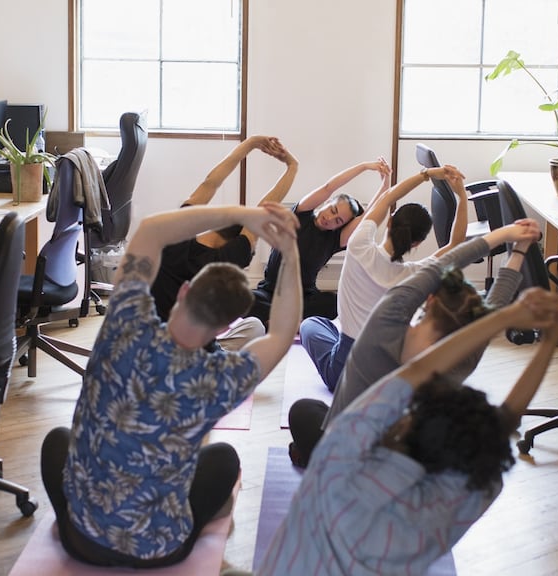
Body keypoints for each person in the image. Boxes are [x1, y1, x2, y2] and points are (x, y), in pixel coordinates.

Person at [40, 202, 302, 568]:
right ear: (227, 326)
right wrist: (289, 252)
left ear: (183, 292)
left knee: (57, 441)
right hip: (158, 550)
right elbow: (283, 331)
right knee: (224, 460)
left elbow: (151, 230)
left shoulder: (124, 322)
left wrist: (243, 215)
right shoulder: (220, 380)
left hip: (80, 538)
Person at [257, 287, 558, 576]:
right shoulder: (459, 501)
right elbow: (506, 419)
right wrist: (550, 342)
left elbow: (415, 372)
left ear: (406, 426)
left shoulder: (338, 468)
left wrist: (507, 317)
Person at [288, 218, 542, 467]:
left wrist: (505, 234)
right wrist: (519, 251)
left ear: (429, 300)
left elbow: (437, 268)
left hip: (342, 461)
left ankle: (309, 455)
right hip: (397, 472)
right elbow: (495, 308)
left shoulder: (384, 326)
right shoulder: (465, 355)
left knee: (305, 409)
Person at [299, 161, 469, 391]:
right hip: (387, 369)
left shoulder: (359, 246)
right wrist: (461, 197)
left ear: (389, 222)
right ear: (417, 243)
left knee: (310, 324)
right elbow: (456, 243)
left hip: (344, 376)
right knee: (326, 325)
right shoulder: (417, 274)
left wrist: (427, 174)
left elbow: (387, 198)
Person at [150, 135, 298, 350]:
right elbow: (264, 210)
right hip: (197, 352)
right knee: (254, 326)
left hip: (150, 343)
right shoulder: (228, 259)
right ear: (235, 242)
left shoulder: (176, 237)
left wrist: (250, 144)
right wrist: (292, 166)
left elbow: (210, 183)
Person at [248, 159, 387, 326]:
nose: (329, 218)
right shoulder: (302, 212)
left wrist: (385, 184)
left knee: (334, 302)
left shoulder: (336, 239)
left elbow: (368, 217)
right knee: (244, 298)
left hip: (303, 299)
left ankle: (280, 321)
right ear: (327, 202)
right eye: (332, 210)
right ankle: (288, 322)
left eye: (338, 221)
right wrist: (364, 167)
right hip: (270, 292)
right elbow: (330, 187)